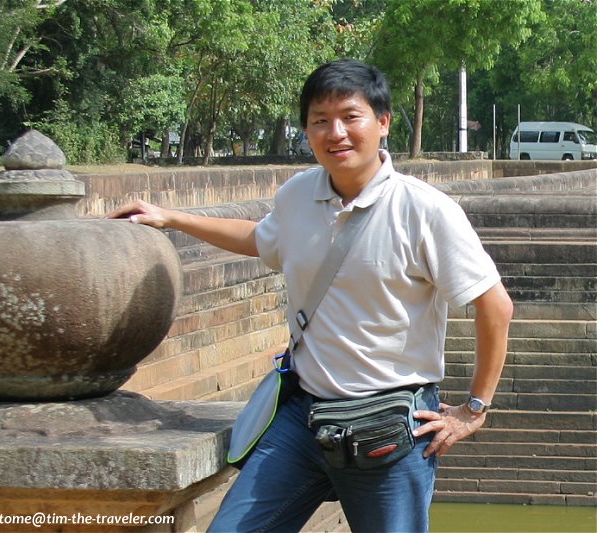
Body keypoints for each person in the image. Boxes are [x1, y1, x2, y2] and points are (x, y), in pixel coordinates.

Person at [106, 58, 513, 533]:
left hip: (387, 425)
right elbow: (261, 239)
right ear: (306, 130)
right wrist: (171, 217)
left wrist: (473, 410)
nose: (335, 132)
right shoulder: (298, 194)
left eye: (349, 116)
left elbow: (495, 306)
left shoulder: (424, 211)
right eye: (320, 121)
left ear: (382, 123)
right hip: (302, 417)